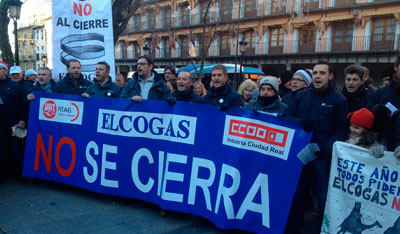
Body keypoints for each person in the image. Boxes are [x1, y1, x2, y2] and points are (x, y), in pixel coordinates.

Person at [284, 60, 348, 233]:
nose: (318, 76)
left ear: (331, 76)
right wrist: (301, 122)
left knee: (322, 198)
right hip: (300, 153)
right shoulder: (302, 95)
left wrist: (324, 149)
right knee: (296, 194)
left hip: (322, 157)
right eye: (316, 73)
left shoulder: (339, 100)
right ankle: (293, 228)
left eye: (322, 73)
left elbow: (341, 131)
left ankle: (321, 229)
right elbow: (287, 116)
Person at [367, 54, 400, 153]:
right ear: (395, 67)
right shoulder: (380, 93)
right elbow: (368, 123)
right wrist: (378, 143)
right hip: (380, 154)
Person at [0, 61, 26, 181]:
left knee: (14, 146)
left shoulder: (16, 86)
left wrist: (22, 119)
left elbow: (23, 104)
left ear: (6, 71)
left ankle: (18, 173)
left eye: (1, 68)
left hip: (13, 123)